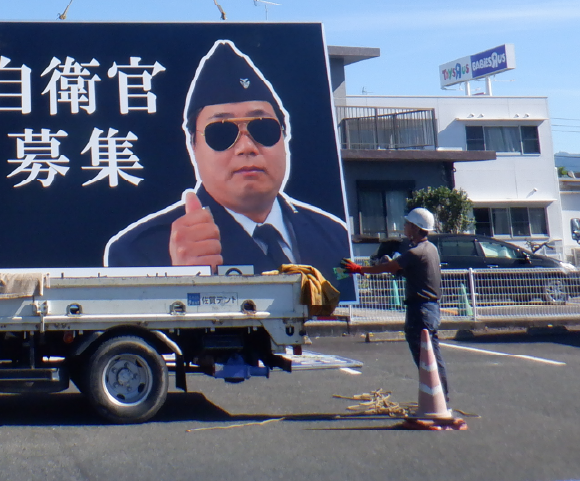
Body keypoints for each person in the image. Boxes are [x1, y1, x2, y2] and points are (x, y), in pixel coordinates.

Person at [104, 39, 350, 276]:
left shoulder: (332, 235)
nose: (246, 147)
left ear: (285, 137)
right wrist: (179, 281)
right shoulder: (140, 250)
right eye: (221, 133)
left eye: (263, 128)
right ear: (193, 145)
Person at [342, 208, 447, 402]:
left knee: (425, 358)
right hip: (429, 308)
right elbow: (408, 272)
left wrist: (359, 269)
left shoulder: (416, 252)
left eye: (407, 224)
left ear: (416, 228)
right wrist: (397, 268)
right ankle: (440, 397)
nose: (405, 226)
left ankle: (435, 400)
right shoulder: (430, 249)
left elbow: (388, 267)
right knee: (432, 355)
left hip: (420, 310)